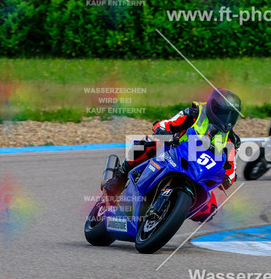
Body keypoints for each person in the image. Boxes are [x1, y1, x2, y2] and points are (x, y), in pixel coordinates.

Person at [102, 88, 242, 222]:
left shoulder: (232, 140)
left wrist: (227, 179)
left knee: (209, 210)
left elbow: (231, 168)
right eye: (225, 114)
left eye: (232, 115)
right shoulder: (194, 113)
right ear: (214, 108)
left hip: (198, 173)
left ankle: (170, 214)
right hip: (172, 153)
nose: (228, 120)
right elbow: (167, 124)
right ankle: (119, 178)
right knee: (149, 143)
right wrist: (163, 130)